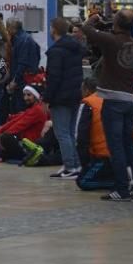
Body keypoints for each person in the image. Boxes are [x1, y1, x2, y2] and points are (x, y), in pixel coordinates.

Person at [81, 10, 133, 201]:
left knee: (116, 146)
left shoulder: (111, 41)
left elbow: (86, 29)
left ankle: (122, 189)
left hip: (113, 100)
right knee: (130, 145)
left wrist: (95, 18)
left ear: (117, 23)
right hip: (130, 100)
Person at [43, 17, 84, 179]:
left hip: (60, 97)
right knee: (71, 132)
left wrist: (47, 98)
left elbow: (54, 77)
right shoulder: (75, 48)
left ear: (54, 29)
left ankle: (70, 166)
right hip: (74, 95)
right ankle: (76, 164)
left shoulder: (56, 51)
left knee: (62, 133)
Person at [74, 78, 114, 191]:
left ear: (86, 90)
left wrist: (85, 164)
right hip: (120, 154)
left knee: (83, 182)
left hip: (102, 155)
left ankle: (119, 183)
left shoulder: (88, 103)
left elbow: (80, 137)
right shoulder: (110, 100)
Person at [0, 86, 49, 163]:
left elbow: (20, 125)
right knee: (4, 136)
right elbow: (16, 120)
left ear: (36, 96)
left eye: (29, 95)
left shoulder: (37, 110)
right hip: (27, 143)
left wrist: (0, 135)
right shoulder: (33, 109)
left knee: (6, 137)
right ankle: (2, 153)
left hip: (31, 146)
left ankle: (5, 154)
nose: (25, 98)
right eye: (24, 95)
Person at [7, 19, 41, 114]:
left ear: (12, 28)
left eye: (7, 28)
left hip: (22, 80)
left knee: (20, 109)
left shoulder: (21, 40)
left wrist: (15, 80)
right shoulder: (28, 38)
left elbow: (22, 63)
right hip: (28, 78)